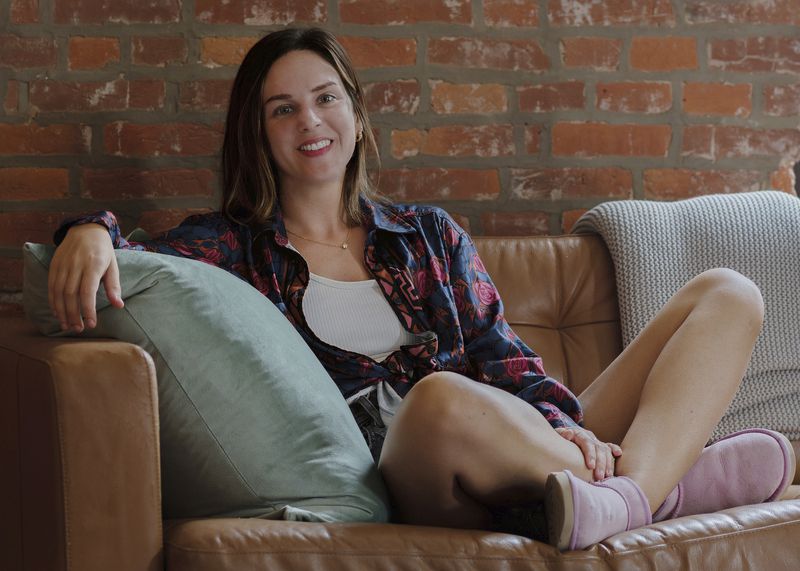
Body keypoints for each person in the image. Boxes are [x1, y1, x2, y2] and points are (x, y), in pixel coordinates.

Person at [47, 27, 794, 550]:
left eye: (326, 97)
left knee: (730, 292)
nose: (310, 120)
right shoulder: (233, 246)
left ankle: (618, 497)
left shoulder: (426, 234)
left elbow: (504, 360)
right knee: (438, 394)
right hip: (419, 468)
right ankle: (664, 486)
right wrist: (88, 229)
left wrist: (566, 427)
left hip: (520, 442)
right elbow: (139, 261)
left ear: (357, 113)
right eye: (283, 109)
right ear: (260, 134)